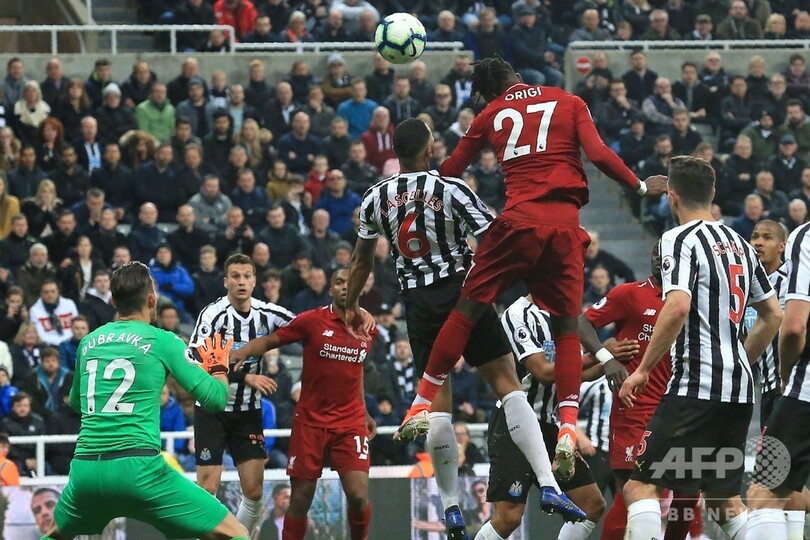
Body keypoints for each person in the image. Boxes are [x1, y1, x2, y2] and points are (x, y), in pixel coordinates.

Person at [390, 57, 666, 478]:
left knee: (466, 310)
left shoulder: (490, 113)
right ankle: (568, 428)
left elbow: (450, 171)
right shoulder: (569, 101)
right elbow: (598, 154)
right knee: (566, 329)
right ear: (517, 77)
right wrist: (641, 186)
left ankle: (421, 402)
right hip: (566, 227)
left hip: (518, 224)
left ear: (489, 93)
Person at [345, 119, 585, 538]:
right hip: (464, 295)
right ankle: (548, 484)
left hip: (418, 304)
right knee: (508, 386)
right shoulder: (451, 188)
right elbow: (493, 237)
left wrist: (350, 305)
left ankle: (451, 506)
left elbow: (361, 260)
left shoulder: (374, 198)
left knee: (438, 403)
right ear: (430, 150)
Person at [619, 156, 783, 540]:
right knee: (724, 502)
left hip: (696, 388)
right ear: (712, 194)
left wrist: (643, 369)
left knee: (639, 488)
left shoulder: (678, 239)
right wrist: (740, 359)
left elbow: (677, 306)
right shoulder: (741, 244)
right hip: (738, 392)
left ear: (672, 197)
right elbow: (772, 314)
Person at [42, 261, 249, 540]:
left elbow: (77, 403)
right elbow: (215, 400)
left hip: (85, 471)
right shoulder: (164, 341)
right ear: (152, 301)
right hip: (140, 470)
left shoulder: (88, 342)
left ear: (114, 301)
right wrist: (219, 367)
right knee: (235, 533)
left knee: (54, 535)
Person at [230, 268, 376, 540]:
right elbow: (272, 339)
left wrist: (364, 410)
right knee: (300, 497)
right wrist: (242, 351)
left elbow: (356, 371)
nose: (345, 287)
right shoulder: (312, 321)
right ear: (330, 290)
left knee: (358, 496)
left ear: (360, 287)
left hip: (350, 422)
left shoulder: (368, 327)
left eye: (350, 282)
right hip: (311, 421)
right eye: (339, 283)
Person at [579, 242, 700, 539]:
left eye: (666, 254)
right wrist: (606, 358)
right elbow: (582, 322)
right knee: (631, 491)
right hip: (636, 409)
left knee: (688, 491)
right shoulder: (630, 294)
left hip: (681, 408)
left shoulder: (692, 298)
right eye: (656, 254)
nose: (660, 259)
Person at [484, 295, 615, 540]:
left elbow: (576, 374)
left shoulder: (565, 315)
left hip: (548, 424)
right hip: (514, 421)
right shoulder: (518, 314)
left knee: (591, 505)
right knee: (509, 517)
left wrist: (614, 360)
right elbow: (543, 372)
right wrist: (601, 354)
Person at [188, 253, 294, 535]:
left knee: (255, 491)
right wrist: (244, 377)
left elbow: (306, 326)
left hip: (247, 410)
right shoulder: (213, 314)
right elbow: (194, 356)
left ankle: (238, 537)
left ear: (255, 281)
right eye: (235, 276)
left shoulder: (267, 313)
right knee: (207, 487)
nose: (241, 282)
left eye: (247, 276)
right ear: (226, 281)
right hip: (212, 408)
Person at [746, 219, 810, 537]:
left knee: (766, 487)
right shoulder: (745, 287)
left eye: (767, 237)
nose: (758, 242)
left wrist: (788, 371)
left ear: (783, 246)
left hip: (790, 387)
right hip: (769, 390)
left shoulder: (791, 280)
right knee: (786, 485)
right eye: (755, 236)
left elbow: (794, 328)